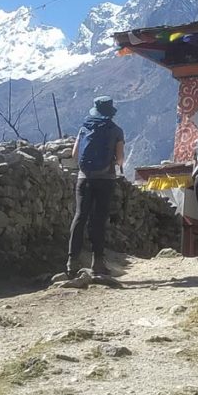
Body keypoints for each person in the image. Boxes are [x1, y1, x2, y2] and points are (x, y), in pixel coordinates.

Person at [66, 96, 125, 277]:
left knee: (79, 217)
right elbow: (120, 158)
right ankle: (98, 262)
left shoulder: (84, 127)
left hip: (84, 178)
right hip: (105, 179)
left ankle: (71, 261)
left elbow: (75, 153)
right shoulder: (116, 130)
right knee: (98, 220)